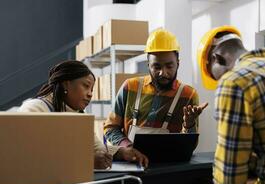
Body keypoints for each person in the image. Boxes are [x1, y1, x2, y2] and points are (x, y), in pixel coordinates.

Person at [198, 25, 265, 184]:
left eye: (214, 75)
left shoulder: (233, 82)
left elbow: (230, 172)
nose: (218, 81)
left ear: (217, 58)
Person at [19, 60, 148, 169]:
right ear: (66, 84)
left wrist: (121, 152)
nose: (90, 94)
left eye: (91, 89)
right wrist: (87, 162)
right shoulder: (35, 109)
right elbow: (31, 157)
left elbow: (97, 149)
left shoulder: (78, 115)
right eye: (86, 86)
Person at [104, 28, 208, 148]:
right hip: (133, 163)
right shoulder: (130, 87)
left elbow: (190, 146)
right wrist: (128, 147)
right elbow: (110, 128)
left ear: (178, 64)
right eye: (156, 66)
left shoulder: (188, 94)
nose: (162, 73)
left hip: (168, 165)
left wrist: (189, 125)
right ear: (148, 65)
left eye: (169, 66)